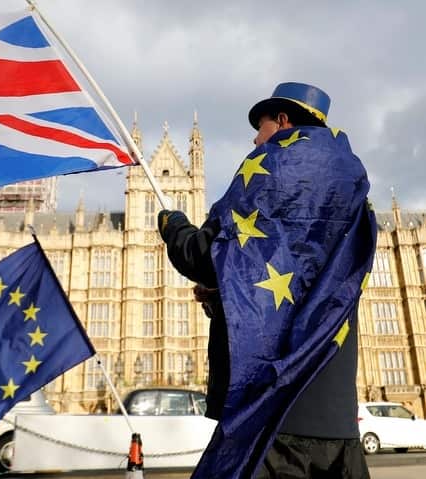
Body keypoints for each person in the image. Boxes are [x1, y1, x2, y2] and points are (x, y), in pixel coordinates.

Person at [157, 82, 374, 478]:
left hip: (276, 417)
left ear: (283, 121)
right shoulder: (351, 188)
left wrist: (174, 227)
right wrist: (228, 296)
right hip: (337, 420)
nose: (256, 139)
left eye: (260, 127)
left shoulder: (274, 172)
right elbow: (305, 286)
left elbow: (205, 256)